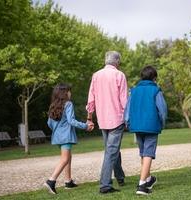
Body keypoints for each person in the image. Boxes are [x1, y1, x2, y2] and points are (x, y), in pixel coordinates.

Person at [86, 51, 128, 194]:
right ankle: (105, 185)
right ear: (117, 62)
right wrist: (128, 118)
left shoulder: (96, 75)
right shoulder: (119, 75)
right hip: (117, 118)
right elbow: (124, 100)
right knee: (111, 151)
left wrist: (89, 117)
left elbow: (91, 99)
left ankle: (120, 177)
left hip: (102, 119)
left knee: (112, 150)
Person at [124, 66, 167, 195]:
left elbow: (127, 110)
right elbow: (163, 111)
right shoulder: (156, 90)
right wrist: (162, 124)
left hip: (137, 126)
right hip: (151, 125)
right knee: (148, 153)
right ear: (154, 78)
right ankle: (142, 185)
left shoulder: (134, 91)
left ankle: (148, 178)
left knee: (143, 152)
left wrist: (127, 122)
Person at [45, 83, 94, 194]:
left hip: (57, 136)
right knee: (65, 159)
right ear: (64, 93)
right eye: (68, 91)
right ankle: (51, 181)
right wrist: (85, 126)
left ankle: (68, 181)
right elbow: (71, 121)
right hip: (66, 136)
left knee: (68, 157)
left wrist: (58, 129)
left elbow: (49, 123)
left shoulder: (53, 105)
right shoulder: (68, 104)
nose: (70, 93)